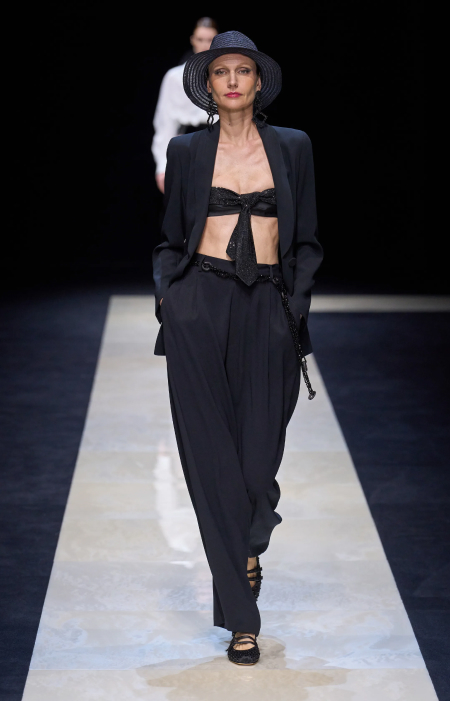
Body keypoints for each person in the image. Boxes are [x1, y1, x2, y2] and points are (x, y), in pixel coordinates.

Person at [152, 31, 323, 665]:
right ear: (207, 84)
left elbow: (306, 239)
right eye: (220, 71)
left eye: (241, 70)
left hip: (268, 306)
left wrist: (294, 306)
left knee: (255, 466)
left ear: (257, 82)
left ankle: (249, 543)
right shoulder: (187, 150)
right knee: (211, 463)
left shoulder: (293, 146)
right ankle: (241, 621)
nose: (230, 81)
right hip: (200, 304)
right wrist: (172, 301)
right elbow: (171, 239)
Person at [151, 17, 218, 193]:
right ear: (192, 40)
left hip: (221, 146)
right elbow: (165, 123)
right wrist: (162, 166)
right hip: (187, 147)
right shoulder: (175, 77)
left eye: (210, 40)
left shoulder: (227, 77)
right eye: (200, 39)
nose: (205, 45)